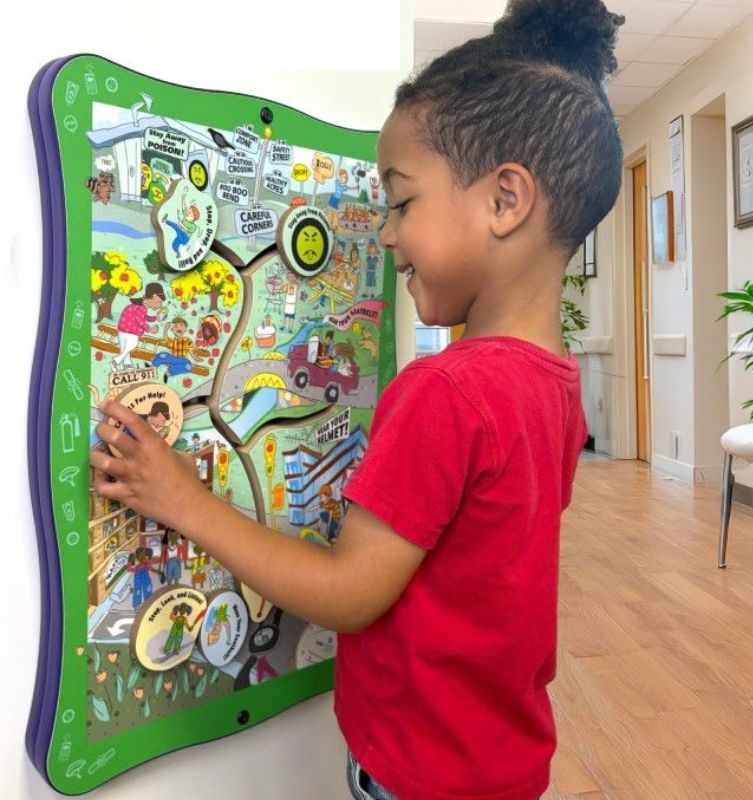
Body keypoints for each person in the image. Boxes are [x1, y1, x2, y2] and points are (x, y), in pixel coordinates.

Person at [90, 1, 624, 797]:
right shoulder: (554, 383)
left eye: (402, 202)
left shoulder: (448, 390)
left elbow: (349, 594)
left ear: (505, 201)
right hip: (497, 760)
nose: (385, 234)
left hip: (419, 775)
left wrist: (183, 501)